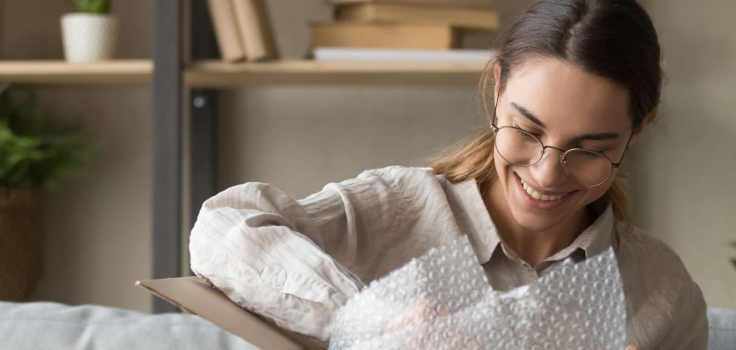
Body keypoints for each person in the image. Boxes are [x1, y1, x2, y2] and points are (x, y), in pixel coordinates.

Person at [188, 0, 708, 349]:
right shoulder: (399, 209)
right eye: (526, 131)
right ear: (498, 88)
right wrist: (379, 322)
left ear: (638, 130)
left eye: (590, 150)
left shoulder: (661, 289)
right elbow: (221, 229)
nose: (547, 174)